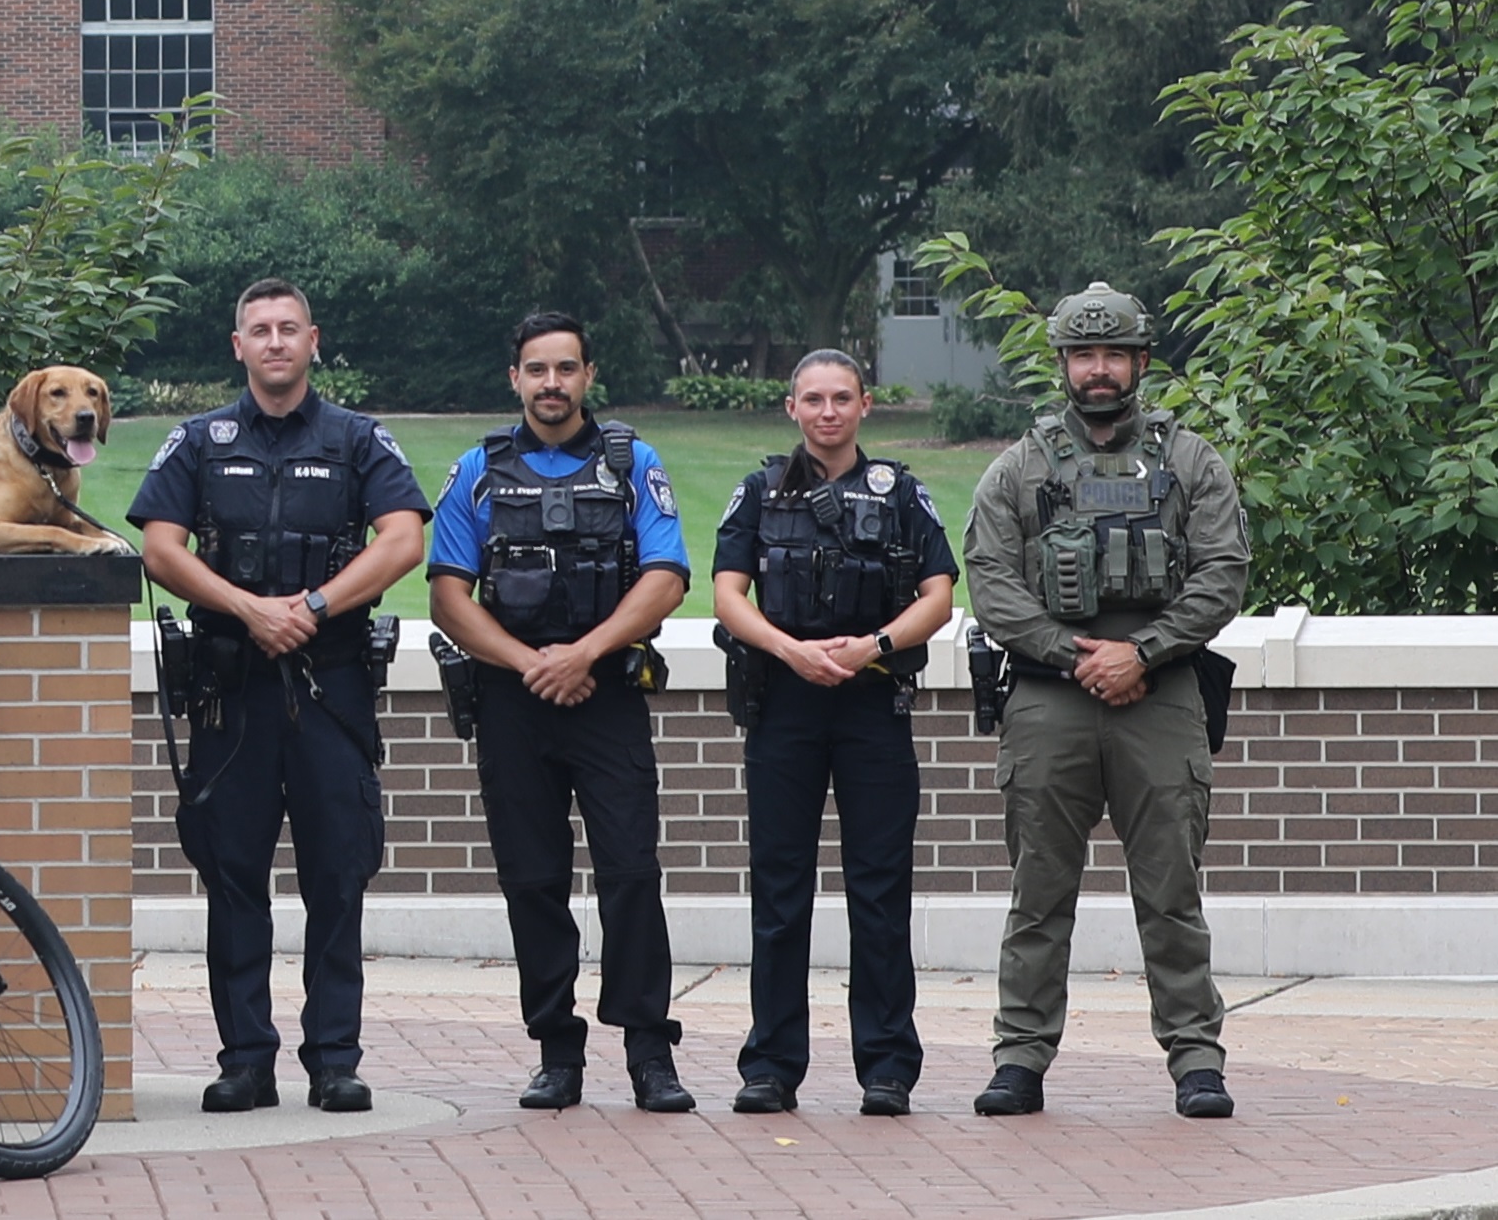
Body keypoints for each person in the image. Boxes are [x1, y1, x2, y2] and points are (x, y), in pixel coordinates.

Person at [133, 278, 427, 1116]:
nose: (273, 341)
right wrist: (249, 608)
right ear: (238, 345)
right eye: (258, 329)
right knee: (233, 878)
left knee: (337, 875)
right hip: (231, 690)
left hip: (329, 684)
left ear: (311, 340)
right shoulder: (198, 440)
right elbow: (159, 547)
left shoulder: (357, 438)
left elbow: (403, 538)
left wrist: (313, 607)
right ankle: (245, 1061)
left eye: (287, 328)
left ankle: (334, 1059)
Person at [962, 281, 1250, 1122]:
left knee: (1170, 891)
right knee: (1037, 892)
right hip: (1048, 698)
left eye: (1113, 353)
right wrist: (1074, 654)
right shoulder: (1017, 468)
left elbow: (1221, 572)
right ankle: (1019, 1057)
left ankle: (1195, 1058)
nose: (1098, 368)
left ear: (1140, 360)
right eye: (1082, 354)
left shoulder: (1190, 461)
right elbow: (990, 582)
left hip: (1160, 694)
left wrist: (1143, 651)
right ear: (1061, 362)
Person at [427, 309, 696, 1113]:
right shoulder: (477, 469)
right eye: (537, 369)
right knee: (532, 878)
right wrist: (532, 663)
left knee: (630, 873)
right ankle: (556, 1051)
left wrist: (583, 654)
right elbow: (447, 594)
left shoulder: (631, 462)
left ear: (587, 375)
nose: (552, 383)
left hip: (606, 693)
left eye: (565, 368)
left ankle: (649, 1052)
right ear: (514, 377)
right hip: (512, 701)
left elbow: (665, 577)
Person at [710, 349, 957, 1118]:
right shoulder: (758, 491)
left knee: (878, 889)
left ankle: (886, 1066)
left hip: (870, 702)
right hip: (783, 702)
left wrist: (871, 646)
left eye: (840, 397)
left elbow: (938, 595)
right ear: (791, 407)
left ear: (864, 404)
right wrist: (788, 649)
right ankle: (770, 1065)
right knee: (779, 890)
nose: (826, 411)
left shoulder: (900, 493)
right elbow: (726, 593)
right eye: (812, 398)